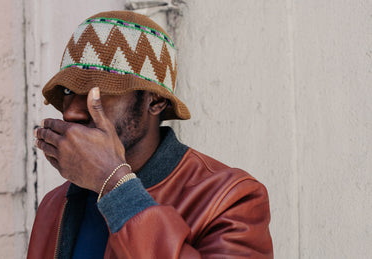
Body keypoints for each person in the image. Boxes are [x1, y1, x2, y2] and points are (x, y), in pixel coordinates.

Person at [28, 10, 273, 259]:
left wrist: (114, 185)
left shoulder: (230, 197)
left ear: (155, 100)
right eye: (68, 90)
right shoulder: (55, 204)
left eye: (97, 92)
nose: (71, 113)